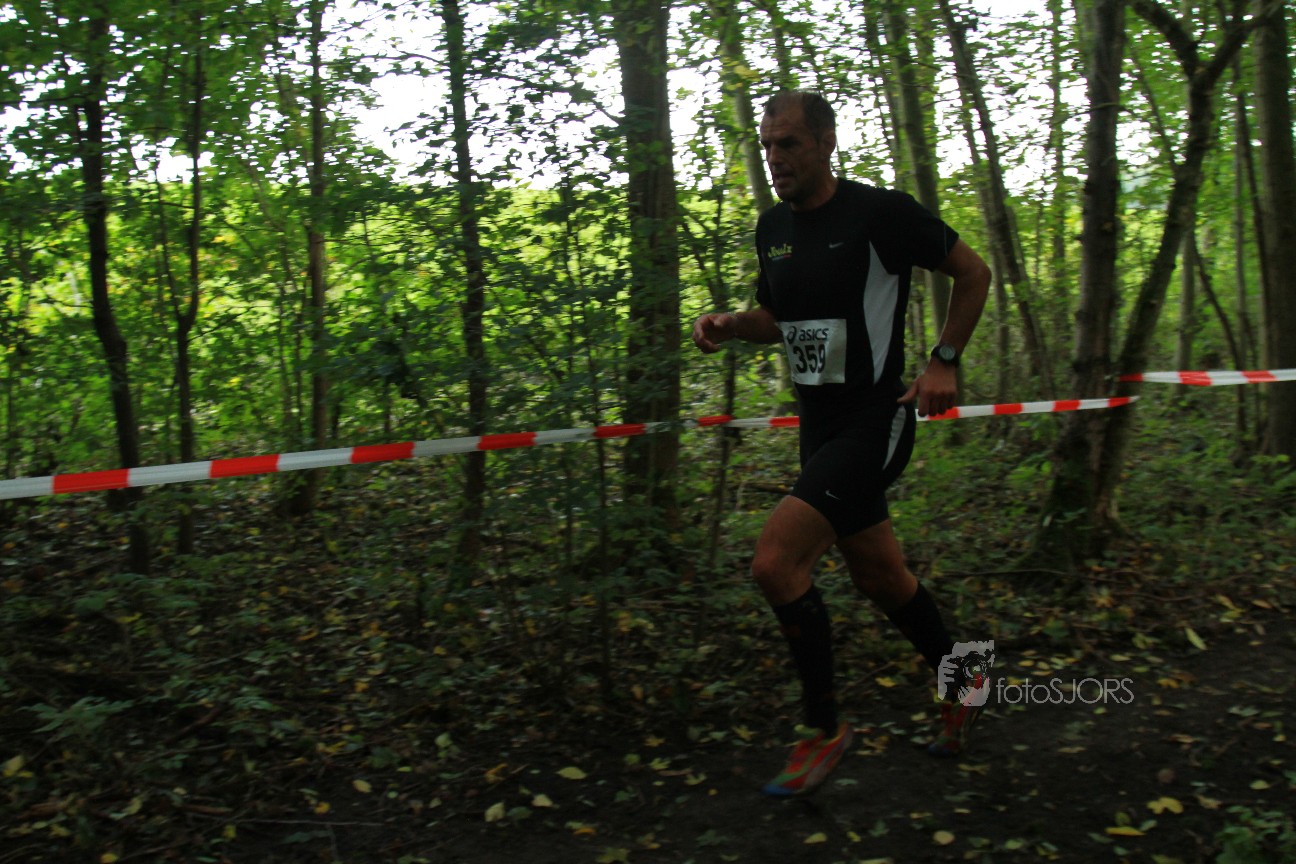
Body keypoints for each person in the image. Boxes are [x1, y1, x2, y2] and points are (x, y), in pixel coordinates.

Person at [691, 91, 992, 797]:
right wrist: (732, 324)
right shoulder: (773, 228)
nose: (775, 158)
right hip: (818, 428)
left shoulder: (880, 214)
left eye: (789, 144)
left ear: (826, 142)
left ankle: (823, 730)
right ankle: (966, 682)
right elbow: (777, 316)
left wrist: (944, 359)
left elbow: (974, 273)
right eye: (767, 146)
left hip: (874, 421)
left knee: (775, 563)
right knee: (880, 577)